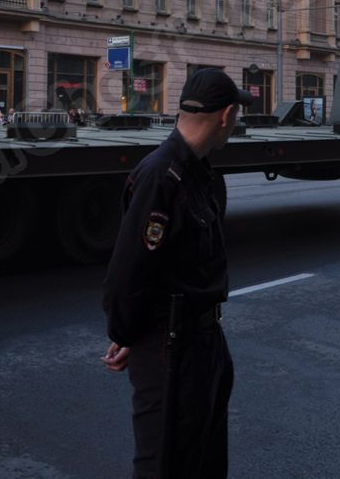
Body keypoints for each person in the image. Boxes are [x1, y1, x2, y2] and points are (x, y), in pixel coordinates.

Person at [102, 68, 250, 478]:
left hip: (203, 342)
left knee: (203, 462)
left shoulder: (197, 172)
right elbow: (127, 273)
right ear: (226, 116)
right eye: (237, 116)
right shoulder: (160, 175)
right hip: (171, 350)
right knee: (165, 467)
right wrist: (130, 335)